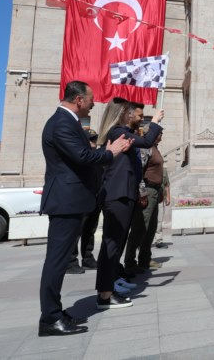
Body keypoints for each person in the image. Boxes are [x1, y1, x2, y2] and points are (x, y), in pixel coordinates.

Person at [38, 81, 131, 337]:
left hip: (72, 200)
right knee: (56, 262)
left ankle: (54, 311)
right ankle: (50, 318)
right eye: (90, 99)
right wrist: (109, 152)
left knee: (58, 260)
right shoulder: (61, 123)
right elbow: (83, 157)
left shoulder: (67, 122)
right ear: (78, 100)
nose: (93, 103)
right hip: (65, 200)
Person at [95, 99, 164, 310]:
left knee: (117, 243)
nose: (139, 118)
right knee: (112, 244)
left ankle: (111, 285)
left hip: (125, 194)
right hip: (118, 194)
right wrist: (156, 121)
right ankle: (105, 295)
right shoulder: (117, 133)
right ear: (124, 113)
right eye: (135, 114)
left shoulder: (122, 133)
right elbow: (146, 142)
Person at [125, 127, 167, 274]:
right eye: (159, 134)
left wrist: (161, 190)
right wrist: (142, 193)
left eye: (161, 134)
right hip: (147, 190)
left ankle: (145, 259)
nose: (160, 137)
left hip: (155, 190)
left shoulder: (155, 148)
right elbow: (139, 172)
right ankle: (130, 262)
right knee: (140, 227)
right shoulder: (145, 148)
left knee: (151, 228)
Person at [67, 128, 103, 274]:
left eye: (94, 139)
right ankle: (70, 261)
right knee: (77, 231)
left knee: (90, 230)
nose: (93, 143)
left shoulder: (96, 155)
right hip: (82, 197)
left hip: (96, 196)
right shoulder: (80, 155)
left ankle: (87, 258)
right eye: (90, 139)